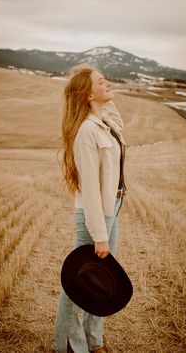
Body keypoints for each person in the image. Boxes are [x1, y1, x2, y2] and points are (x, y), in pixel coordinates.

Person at [54, 64, 127, 353]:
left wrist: (104, 95)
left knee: (102, 279)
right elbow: (91, 191)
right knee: (78, 281)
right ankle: (69, 345)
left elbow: (116, 117)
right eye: (101, 81)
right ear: (88, 94)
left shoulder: (105, 122)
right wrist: (99, 234)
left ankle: (93, 340)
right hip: (94, 215)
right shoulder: (86, 132)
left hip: (112, 208)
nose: (108, 83)